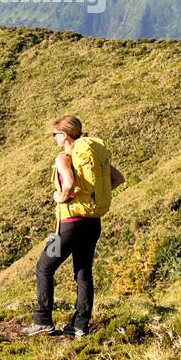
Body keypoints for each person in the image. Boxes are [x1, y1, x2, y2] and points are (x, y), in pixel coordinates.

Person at [25, 115, 125, 338]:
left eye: (55, 134)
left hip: (68, 226)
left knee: (44, 267)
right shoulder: (91, 157)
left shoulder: (64, 158)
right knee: (83, 272)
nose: (54, 139)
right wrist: (92, 195)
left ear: (64, 135)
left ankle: (43, 320)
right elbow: (118, 179)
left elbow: (68, 183)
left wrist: (61, 197)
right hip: (92, 223)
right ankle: (80, 325)